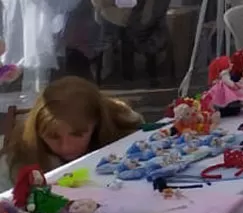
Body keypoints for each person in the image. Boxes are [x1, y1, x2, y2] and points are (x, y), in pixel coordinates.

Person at [3, 76, 142, 181]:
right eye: (53, 136)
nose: (66, 147)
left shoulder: (125, 131)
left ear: (97, 123)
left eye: (77, 134)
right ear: (37, 132)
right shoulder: (20, 153)